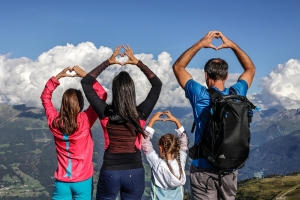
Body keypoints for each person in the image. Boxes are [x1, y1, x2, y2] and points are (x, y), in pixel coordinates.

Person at [172, 30, 256, 200]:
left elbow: (178, 67)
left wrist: (201, 43)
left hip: (204, 168)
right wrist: (231, 45)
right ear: (226, 76)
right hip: (230, 167)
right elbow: (250, 68)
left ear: (206, 75)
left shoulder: (199, 94)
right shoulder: (238, 93)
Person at [81, 45, 162, 200]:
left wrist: (109, 62)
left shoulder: (105, 112)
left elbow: (86, 83)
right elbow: (157, 84)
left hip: (110, 171)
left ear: (115, 90)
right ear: (132, 90)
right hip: (135, 172)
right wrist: (137, 62)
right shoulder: (141, 114)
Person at [40, 65, 107, 200]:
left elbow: (45, 98)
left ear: (63, 103)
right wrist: (85, 75)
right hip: (83, 181)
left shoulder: (55, 122)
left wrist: (58, 77)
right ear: (80, 104)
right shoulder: (85, 119)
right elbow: (101, 95)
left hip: (62, 182)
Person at [142, 110, 188, 200]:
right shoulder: (180, 162)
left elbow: (144, 142)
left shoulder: (157, 164)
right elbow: (184, 141)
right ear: (176, 148)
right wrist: (176, 120)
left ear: (161, 148)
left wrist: (152, 120)